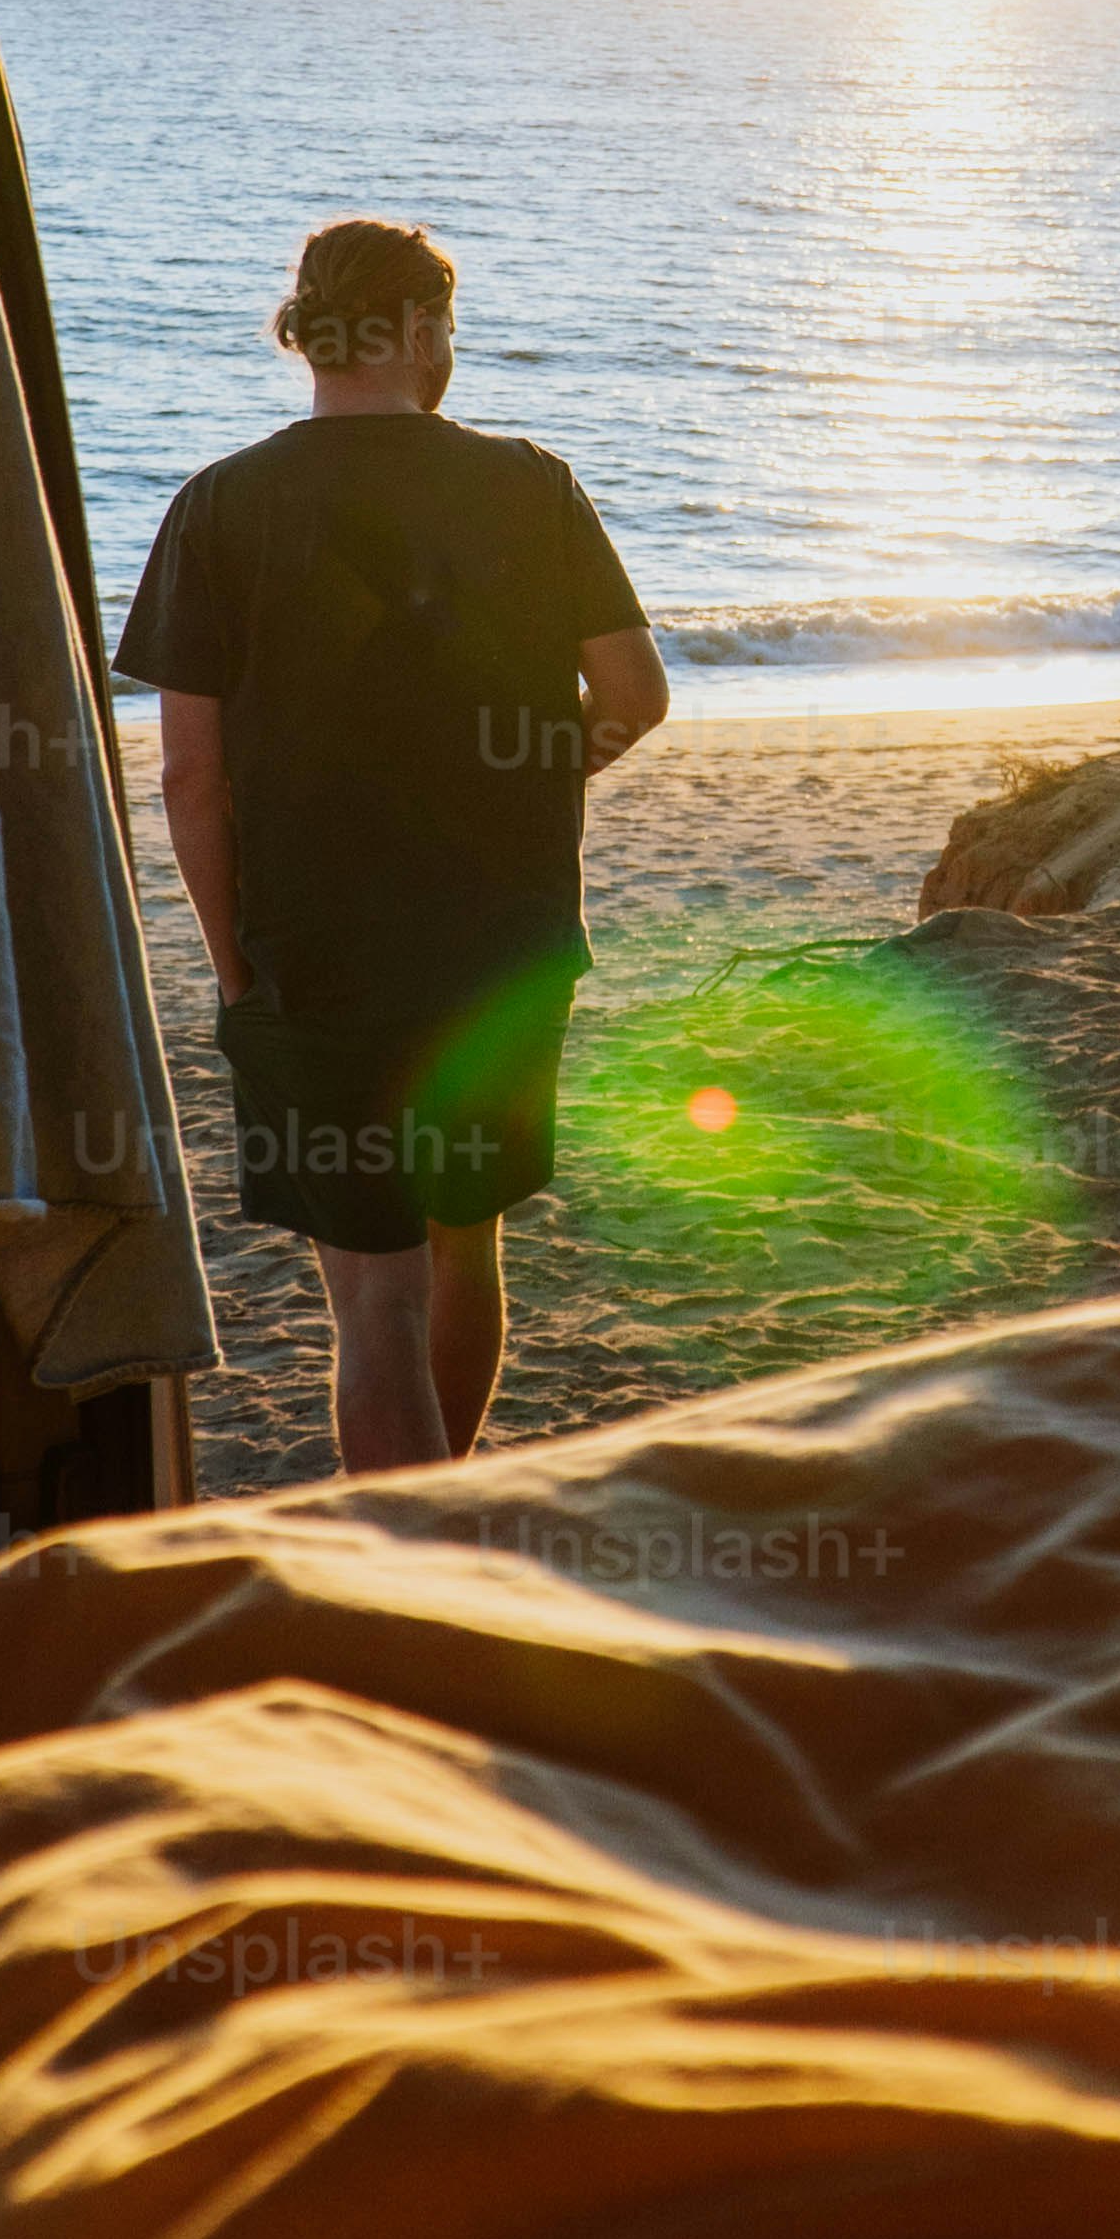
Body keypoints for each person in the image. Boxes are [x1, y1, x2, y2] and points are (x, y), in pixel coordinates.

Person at [117, 216, 667, 1473]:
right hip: (504, 947)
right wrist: (539, 771)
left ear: (308, 334)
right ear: (417, 330)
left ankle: (404, 1575)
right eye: (448, 330)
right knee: (463, 1241)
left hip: (315, 953)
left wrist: (235, 965)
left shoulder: (220, 503)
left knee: (376, 1304)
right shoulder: (531, 482)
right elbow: (633, 695)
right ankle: (446, 1519)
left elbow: (190, 774)